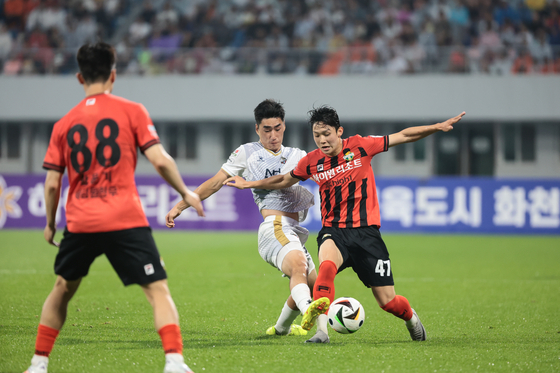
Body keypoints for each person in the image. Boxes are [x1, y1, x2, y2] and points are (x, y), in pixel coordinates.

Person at [24, 42, 204, 373]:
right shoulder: (131, 110)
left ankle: (38, 363)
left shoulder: (63, 124)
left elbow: (52, 184)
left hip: (80, 222)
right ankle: (174, 362)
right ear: (113, 75)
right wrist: (185, 191)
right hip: (125, 218)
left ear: (80, 78)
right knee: (157, 289)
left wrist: (50, 223)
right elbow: (159, 159)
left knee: (62, 289)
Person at [225, 105, 466, 343]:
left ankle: (411, 319)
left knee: (388, 302)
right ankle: (321, 333)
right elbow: (285, 179)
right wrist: (249, 184)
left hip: (367, 234)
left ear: (339, 131)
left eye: (326, 134)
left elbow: (403, 135)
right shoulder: (312, 161)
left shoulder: (361, 146)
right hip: (334, 231)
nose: (322, 140)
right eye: (317, 136)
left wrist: (437, 126)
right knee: (325, 270)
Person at [165, 99, 330, 336]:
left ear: (284, 126)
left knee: (314, 285)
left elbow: (328, 179)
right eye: (267, 129)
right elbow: (215, 183)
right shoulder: (247, 152)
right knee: (298, 267)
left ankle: (281, 329)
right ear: (257, 129)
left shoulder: (298, 156)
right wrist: (181, 205)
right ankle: (307, 310)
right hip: (274, 227)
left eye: (278, 128)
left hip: (293, 229)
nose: (273, 135)